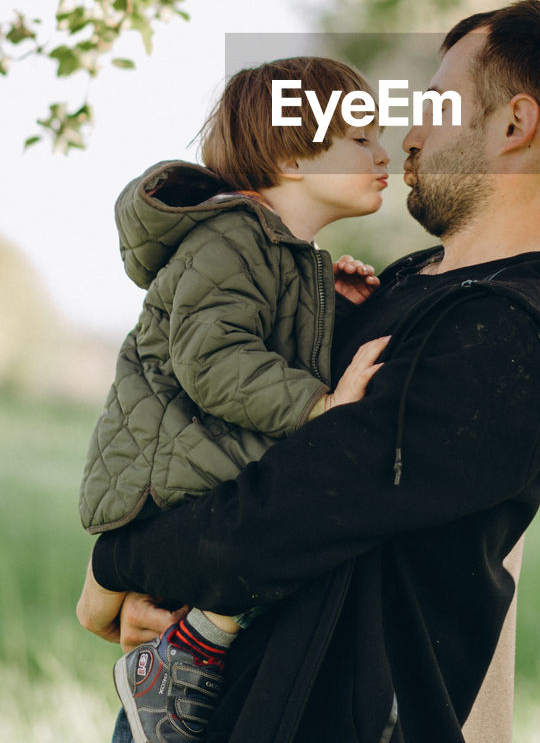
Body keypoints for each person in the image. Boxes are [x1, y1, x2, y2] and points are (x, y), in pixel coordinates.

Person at [78, 0, 540, 743]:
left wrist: (113, 567)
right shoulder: (411, 289)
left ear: (514, 125)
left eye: (436, 105)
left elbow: (298, 505)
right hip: (218, 705)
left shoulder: (506, 333)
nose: (408, 135)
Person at [78, 55, 391, 743]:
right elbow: (213, 359)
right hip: (174, 480)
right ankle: (174, 670)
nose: (383, 153)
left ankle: (180, 667)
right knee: (258, 557)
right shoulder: (230, 238)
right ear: (295, 157)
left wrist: (326, 309)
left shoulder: (282, 255)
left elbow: (255, 337)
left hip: (204, 472)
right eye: (361, 139)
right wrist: (320, 406)